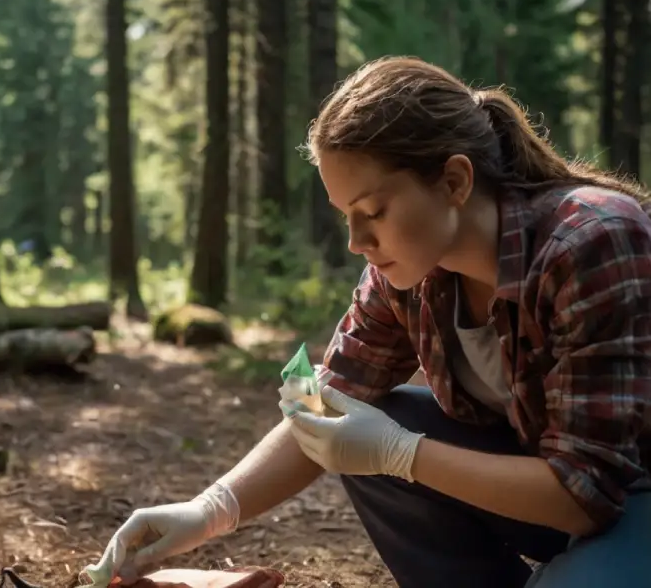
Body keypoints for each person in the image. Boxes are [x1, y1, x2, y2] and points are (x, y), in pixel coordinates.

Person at [86, 56, 651, 588]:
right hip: (554, 491)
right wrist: (208, 510)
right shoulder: (406, 276)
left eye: (373, 212)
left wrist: (401, 453)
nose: (357, 242)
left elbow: (586, 491)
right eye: (345, 218)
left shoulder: (591, 240)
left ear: (455, 182)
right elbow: (325, 405)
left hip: (627, 497)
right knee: (369, 416)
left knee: (383, 436)